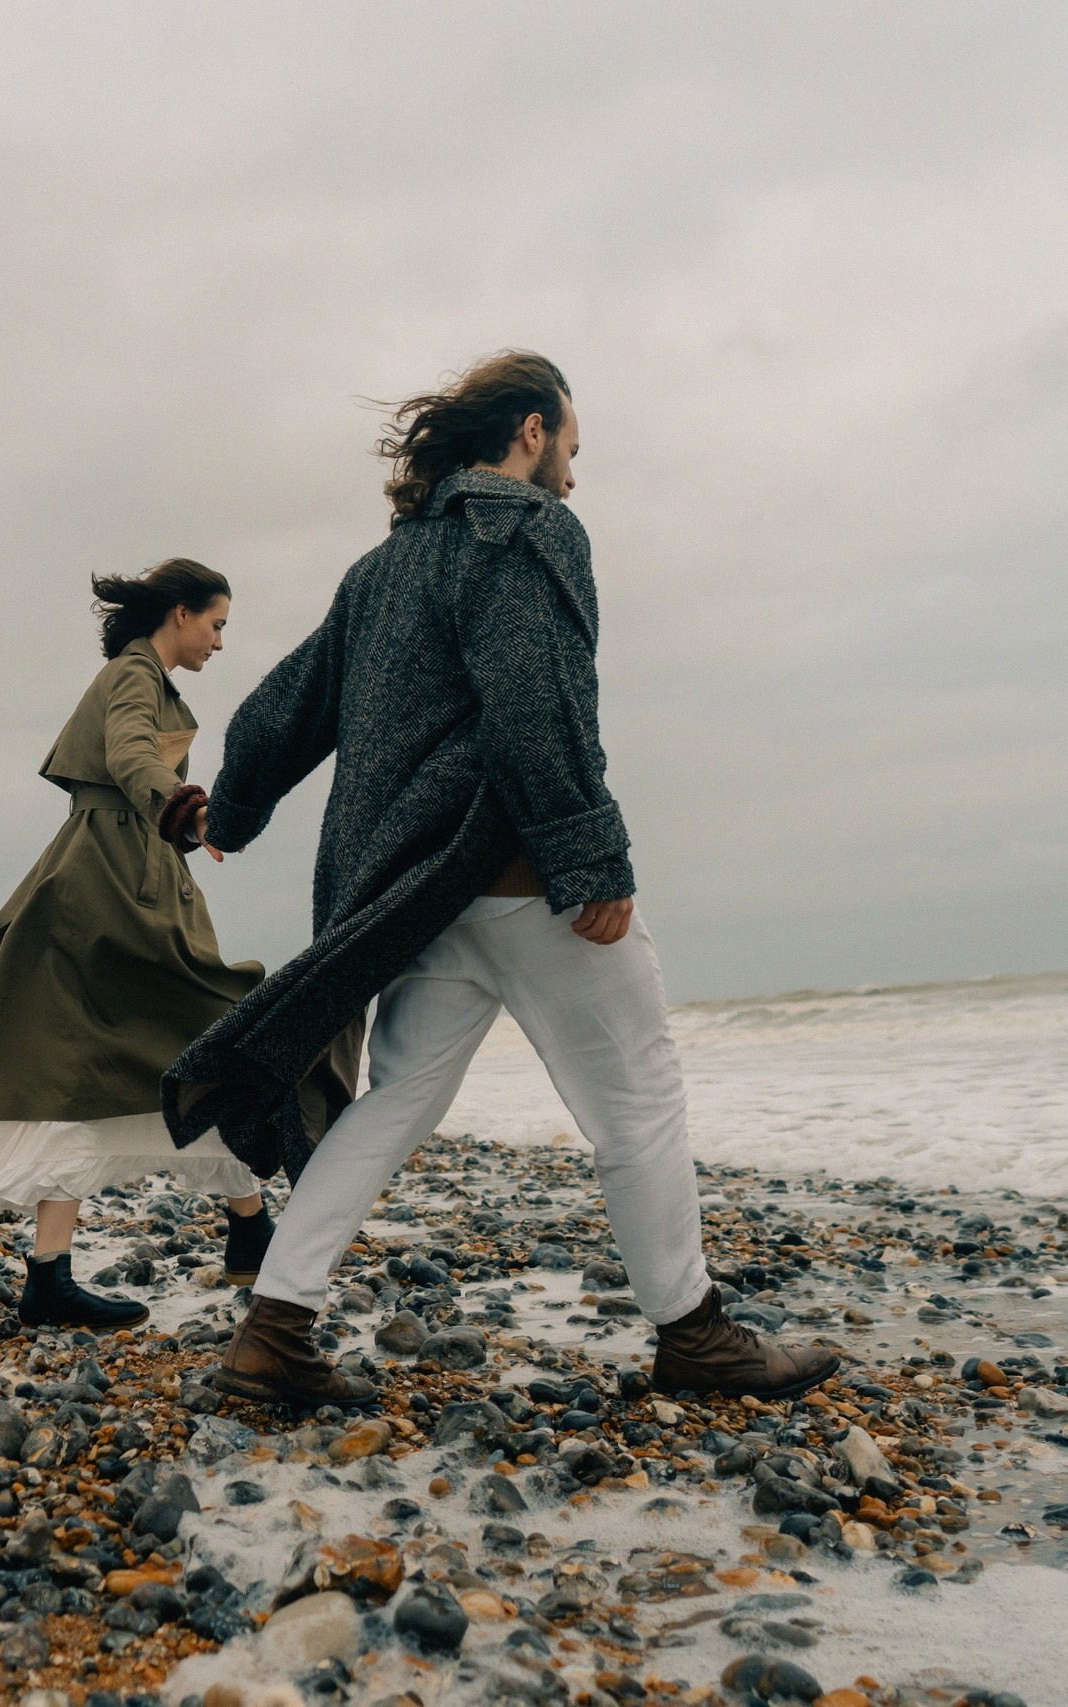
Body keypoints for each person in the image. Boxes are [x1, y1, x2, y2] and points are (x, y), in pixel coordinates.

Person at [161, 351, 840, 1408]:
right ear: (529, 433)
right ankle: (696, 1340)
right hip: (518, 873)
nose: (573, 475)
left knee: (393, 1106)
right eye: (570, 447)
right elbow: (540, 698)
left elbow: (282, 706)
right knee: (640, 1101)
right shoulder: (523, 529)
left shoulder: (379, 570)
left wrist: (235, 813)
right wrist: (590, 858)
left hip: (415, 899)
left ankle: (271, 1337)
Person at [0, 560, 327, 1331]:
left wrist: (172, 825)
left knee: (152, 1048)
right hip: (112, 883)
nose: (219, 641)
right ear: (179, 613)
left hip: (120, 871)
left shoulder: (142, 674)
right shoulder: (134, 675)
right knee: (191, 1037)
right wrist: (187, 812)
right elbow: (128, 752)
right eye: (216, 625)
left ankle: (242, 1229)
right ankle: (203, 1240)